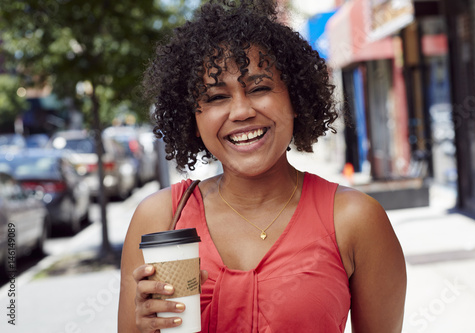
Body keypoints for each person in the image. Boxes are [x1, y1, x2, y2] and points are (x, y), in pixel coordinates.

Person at [118, 0, 407, 332]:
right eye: (216, 97)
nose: (241, 112)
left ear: (295, 100)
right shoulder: (160, 220)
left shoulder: (355, 219)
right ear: (192, 118)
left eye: (259, 88)